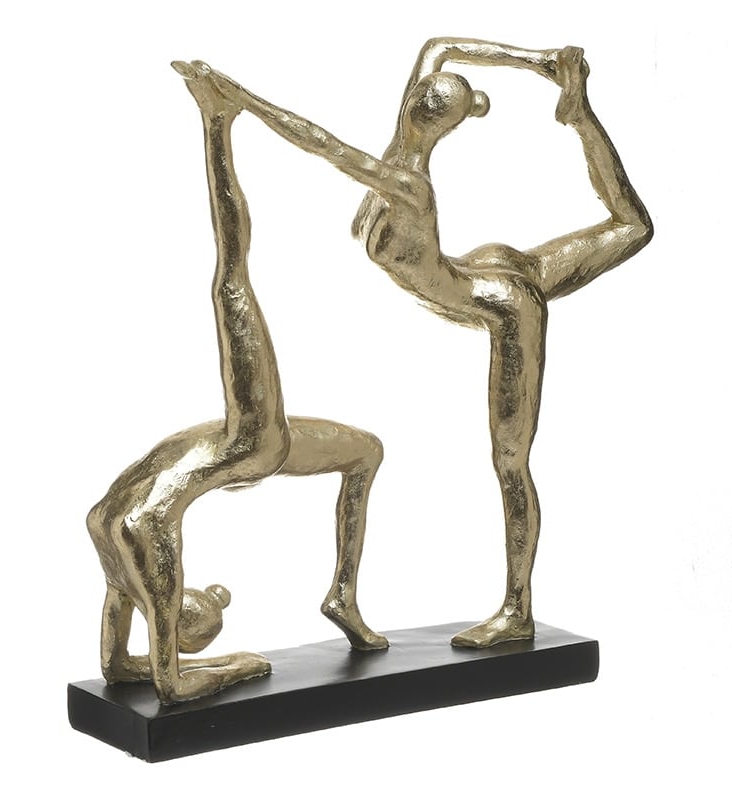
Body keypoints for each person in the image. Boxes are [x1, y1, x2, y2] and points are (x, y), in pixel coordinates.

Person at [198, 38, 652, 648]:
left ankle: (517, 609)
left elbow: (322, 144)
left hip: (503, 304)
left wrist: (237, 101)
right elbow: (440, 45)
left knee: (511, 463)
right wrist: (538, 61)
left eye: (425, 102)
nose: (414, 102)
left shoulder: (407, 183)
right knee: (631, 227)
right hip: (486, 267)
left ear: (434, 119)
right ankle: (578, 110)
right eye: (420, 95)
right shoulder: (403, 141)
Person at [86, 62, 386, 704]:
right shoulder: (134, 533)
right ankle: (216, 121)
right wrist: (231, 665)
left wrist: (202, 656)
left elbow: (121, 666)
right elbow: (168, 685)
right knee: (232, 277)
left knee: (364, 447)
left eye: (191, 603)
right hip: (242, 449)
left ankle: (342, 595)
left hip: (238, 452)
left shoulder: (133, 531)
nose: (204, 593)